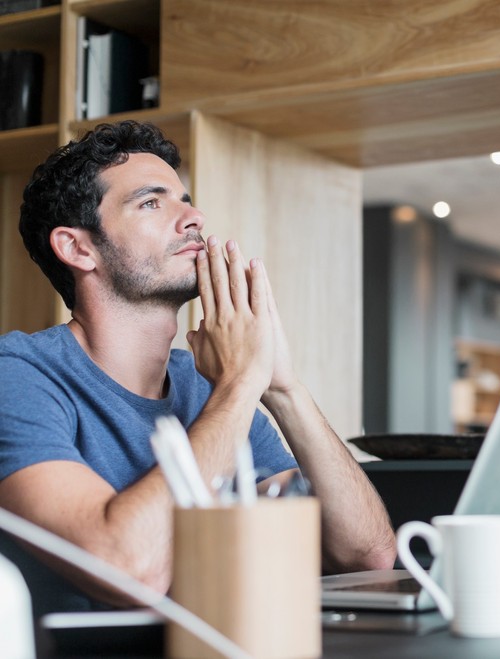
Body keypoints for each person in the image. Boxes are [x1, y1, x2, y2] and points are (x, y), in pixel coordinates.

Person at [0, 120, 397, 615]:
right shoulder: (18, 376)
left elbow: (367, 555)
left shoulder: (207, 384)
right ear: (78, 248)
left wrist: (281, 387)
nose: (194, 217)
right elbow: (127, 570)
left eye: (185, 199)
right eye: (151, 202)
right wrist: (237, 386)